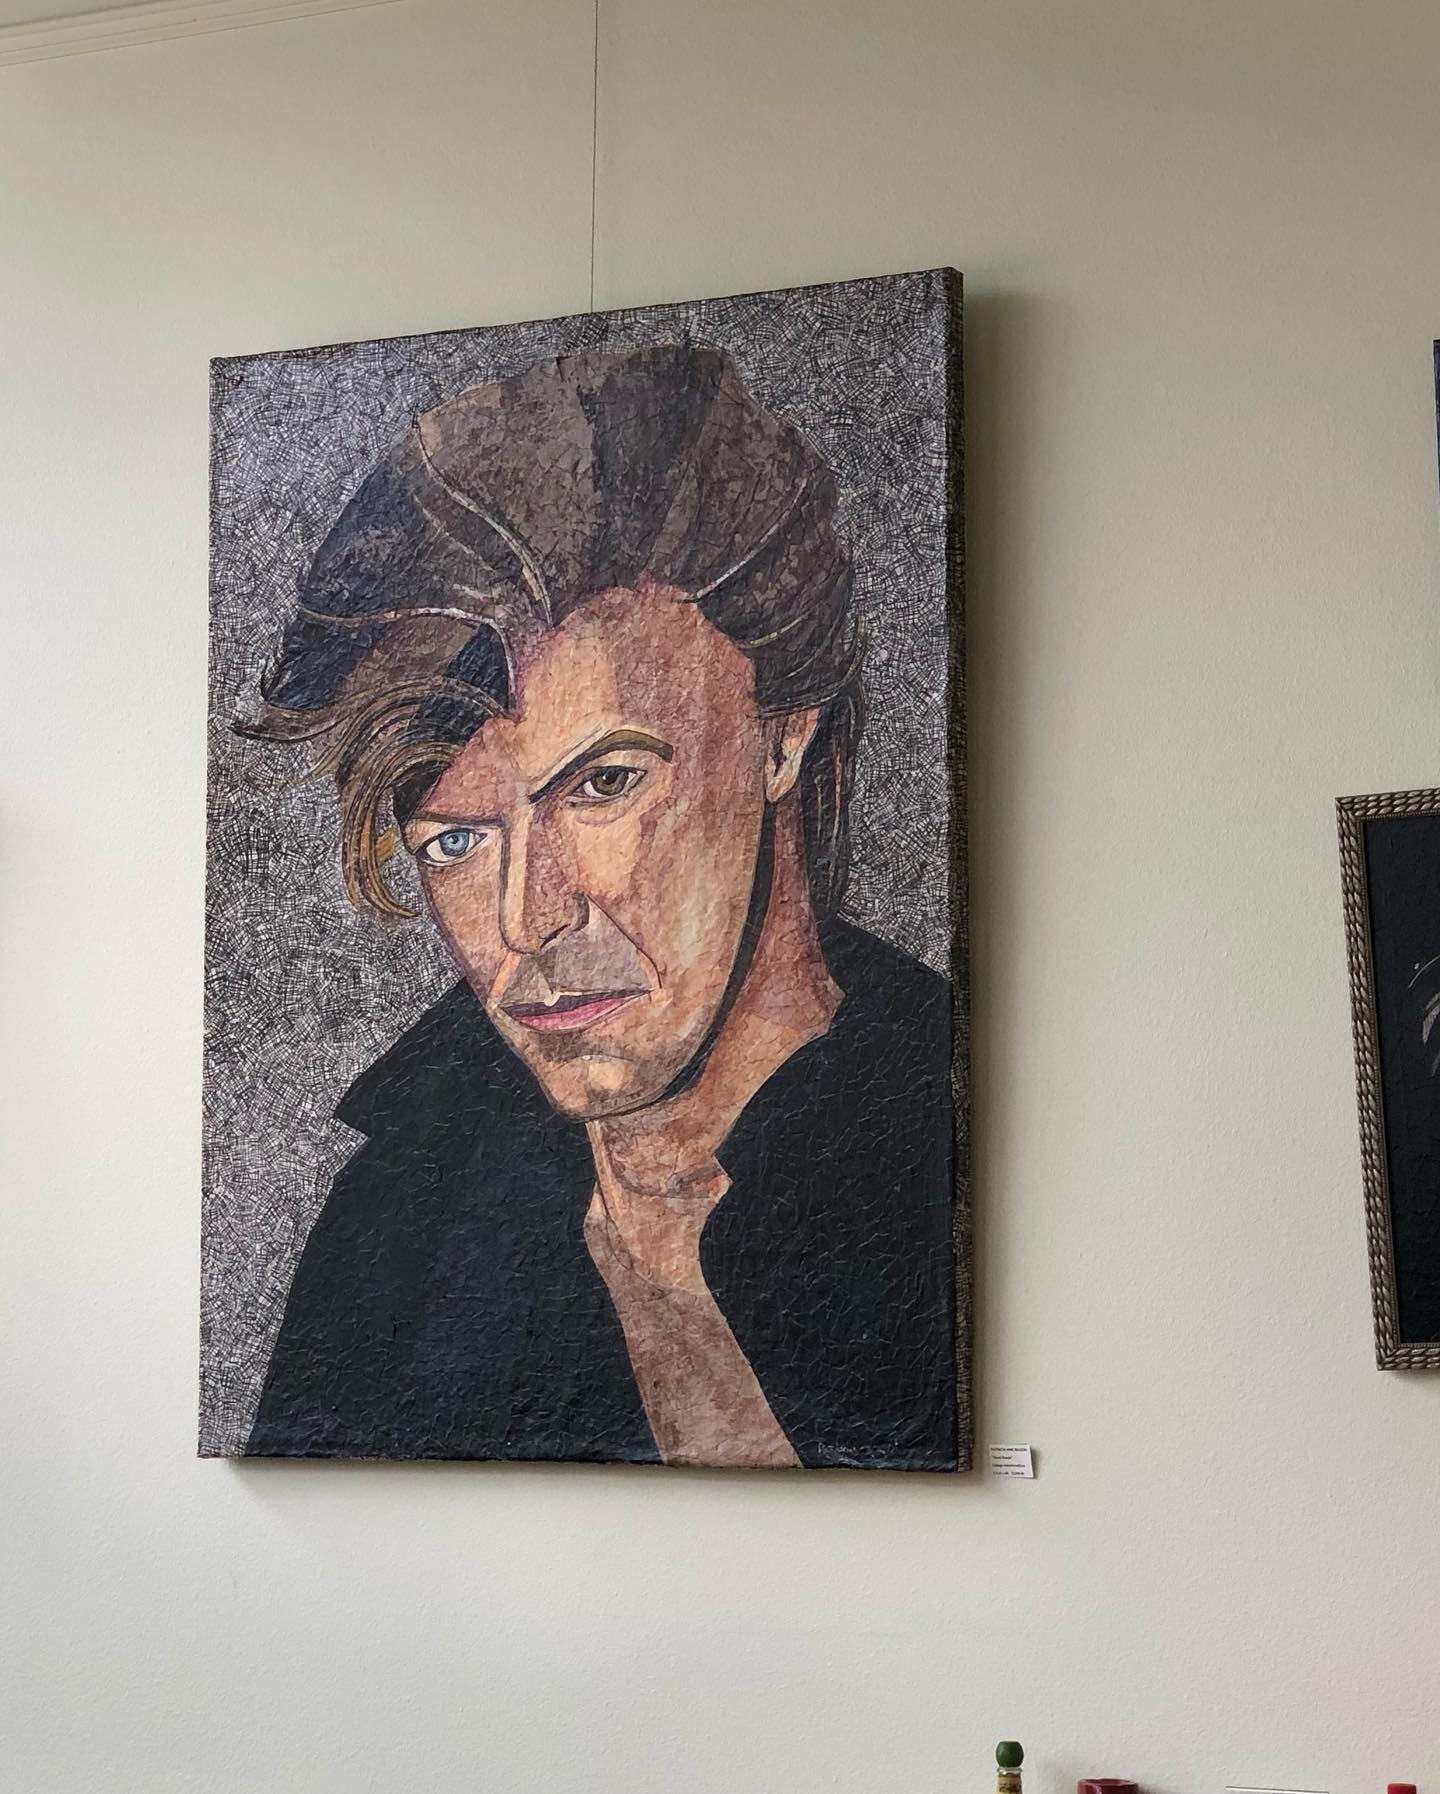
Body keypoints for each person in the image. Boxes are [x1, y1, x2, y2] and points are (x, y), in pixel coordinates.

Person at [239, 344, 957, 1470]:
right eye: (456, 841)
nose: (527, 921)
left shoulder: (942, 1141)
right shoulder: (400, 1207)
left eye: (605, 783)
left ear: (780, 733)